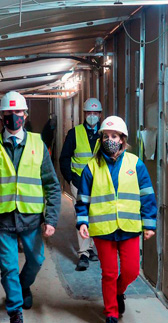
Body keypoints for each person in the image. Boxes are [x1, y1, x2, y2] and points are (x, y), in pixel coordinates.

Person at [0, 91, 61, 323]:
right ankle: (15, 314)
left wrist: (52, 219)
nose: (14, 117)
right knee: (8, 267)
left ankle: (24, 287)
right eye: (9, 113)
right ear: (2, 116)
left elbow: (52, 185)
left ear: (25, 115)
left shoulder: (37, 145)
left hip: (31, 218)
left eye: (19, 113)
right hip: (2, 220)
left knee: (36, 260)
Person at [75, 116, 157, 323]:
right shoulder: (92, 167)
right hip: (103, 229)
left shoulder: (135, 164)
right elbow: (82, 199)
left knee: (130, 271)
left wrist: (149, 223)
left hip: (129, 227)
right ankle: (110, 316)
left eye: (114, 136)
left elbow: (147, 194)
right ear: (101, 139)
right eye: (105, 136)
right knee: (109, 273)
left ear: (123, 140)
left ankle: (119, 292)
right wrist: (82, 222)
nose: (109, 139)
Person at [59, 97, 102, 271]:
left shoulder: (105, 134)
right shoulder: (74, 133)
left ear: (100, 114)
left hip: (100, 185)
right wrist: (70, 179)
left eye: (95, 113)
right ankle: (83, 253)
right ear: (84, 114)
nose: (92, 116)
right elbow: (64, 158)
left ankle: (90, 248)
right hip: (79, 182)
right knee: (82, 216)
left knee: (95, 216)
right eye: (89, 113)